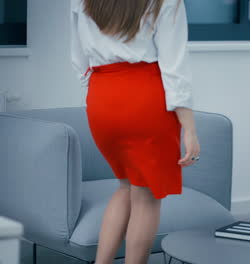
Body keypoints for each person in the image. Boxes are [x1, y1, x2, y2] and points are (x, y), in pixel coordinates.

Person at [70, 0, 200, 263]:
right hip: (145, 96)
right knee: (146, 196)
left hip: (102, 96)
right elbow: (174, 66)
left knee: (126, 187)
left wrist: (101, 91)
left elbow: (78, 57)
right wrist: (190, 128)